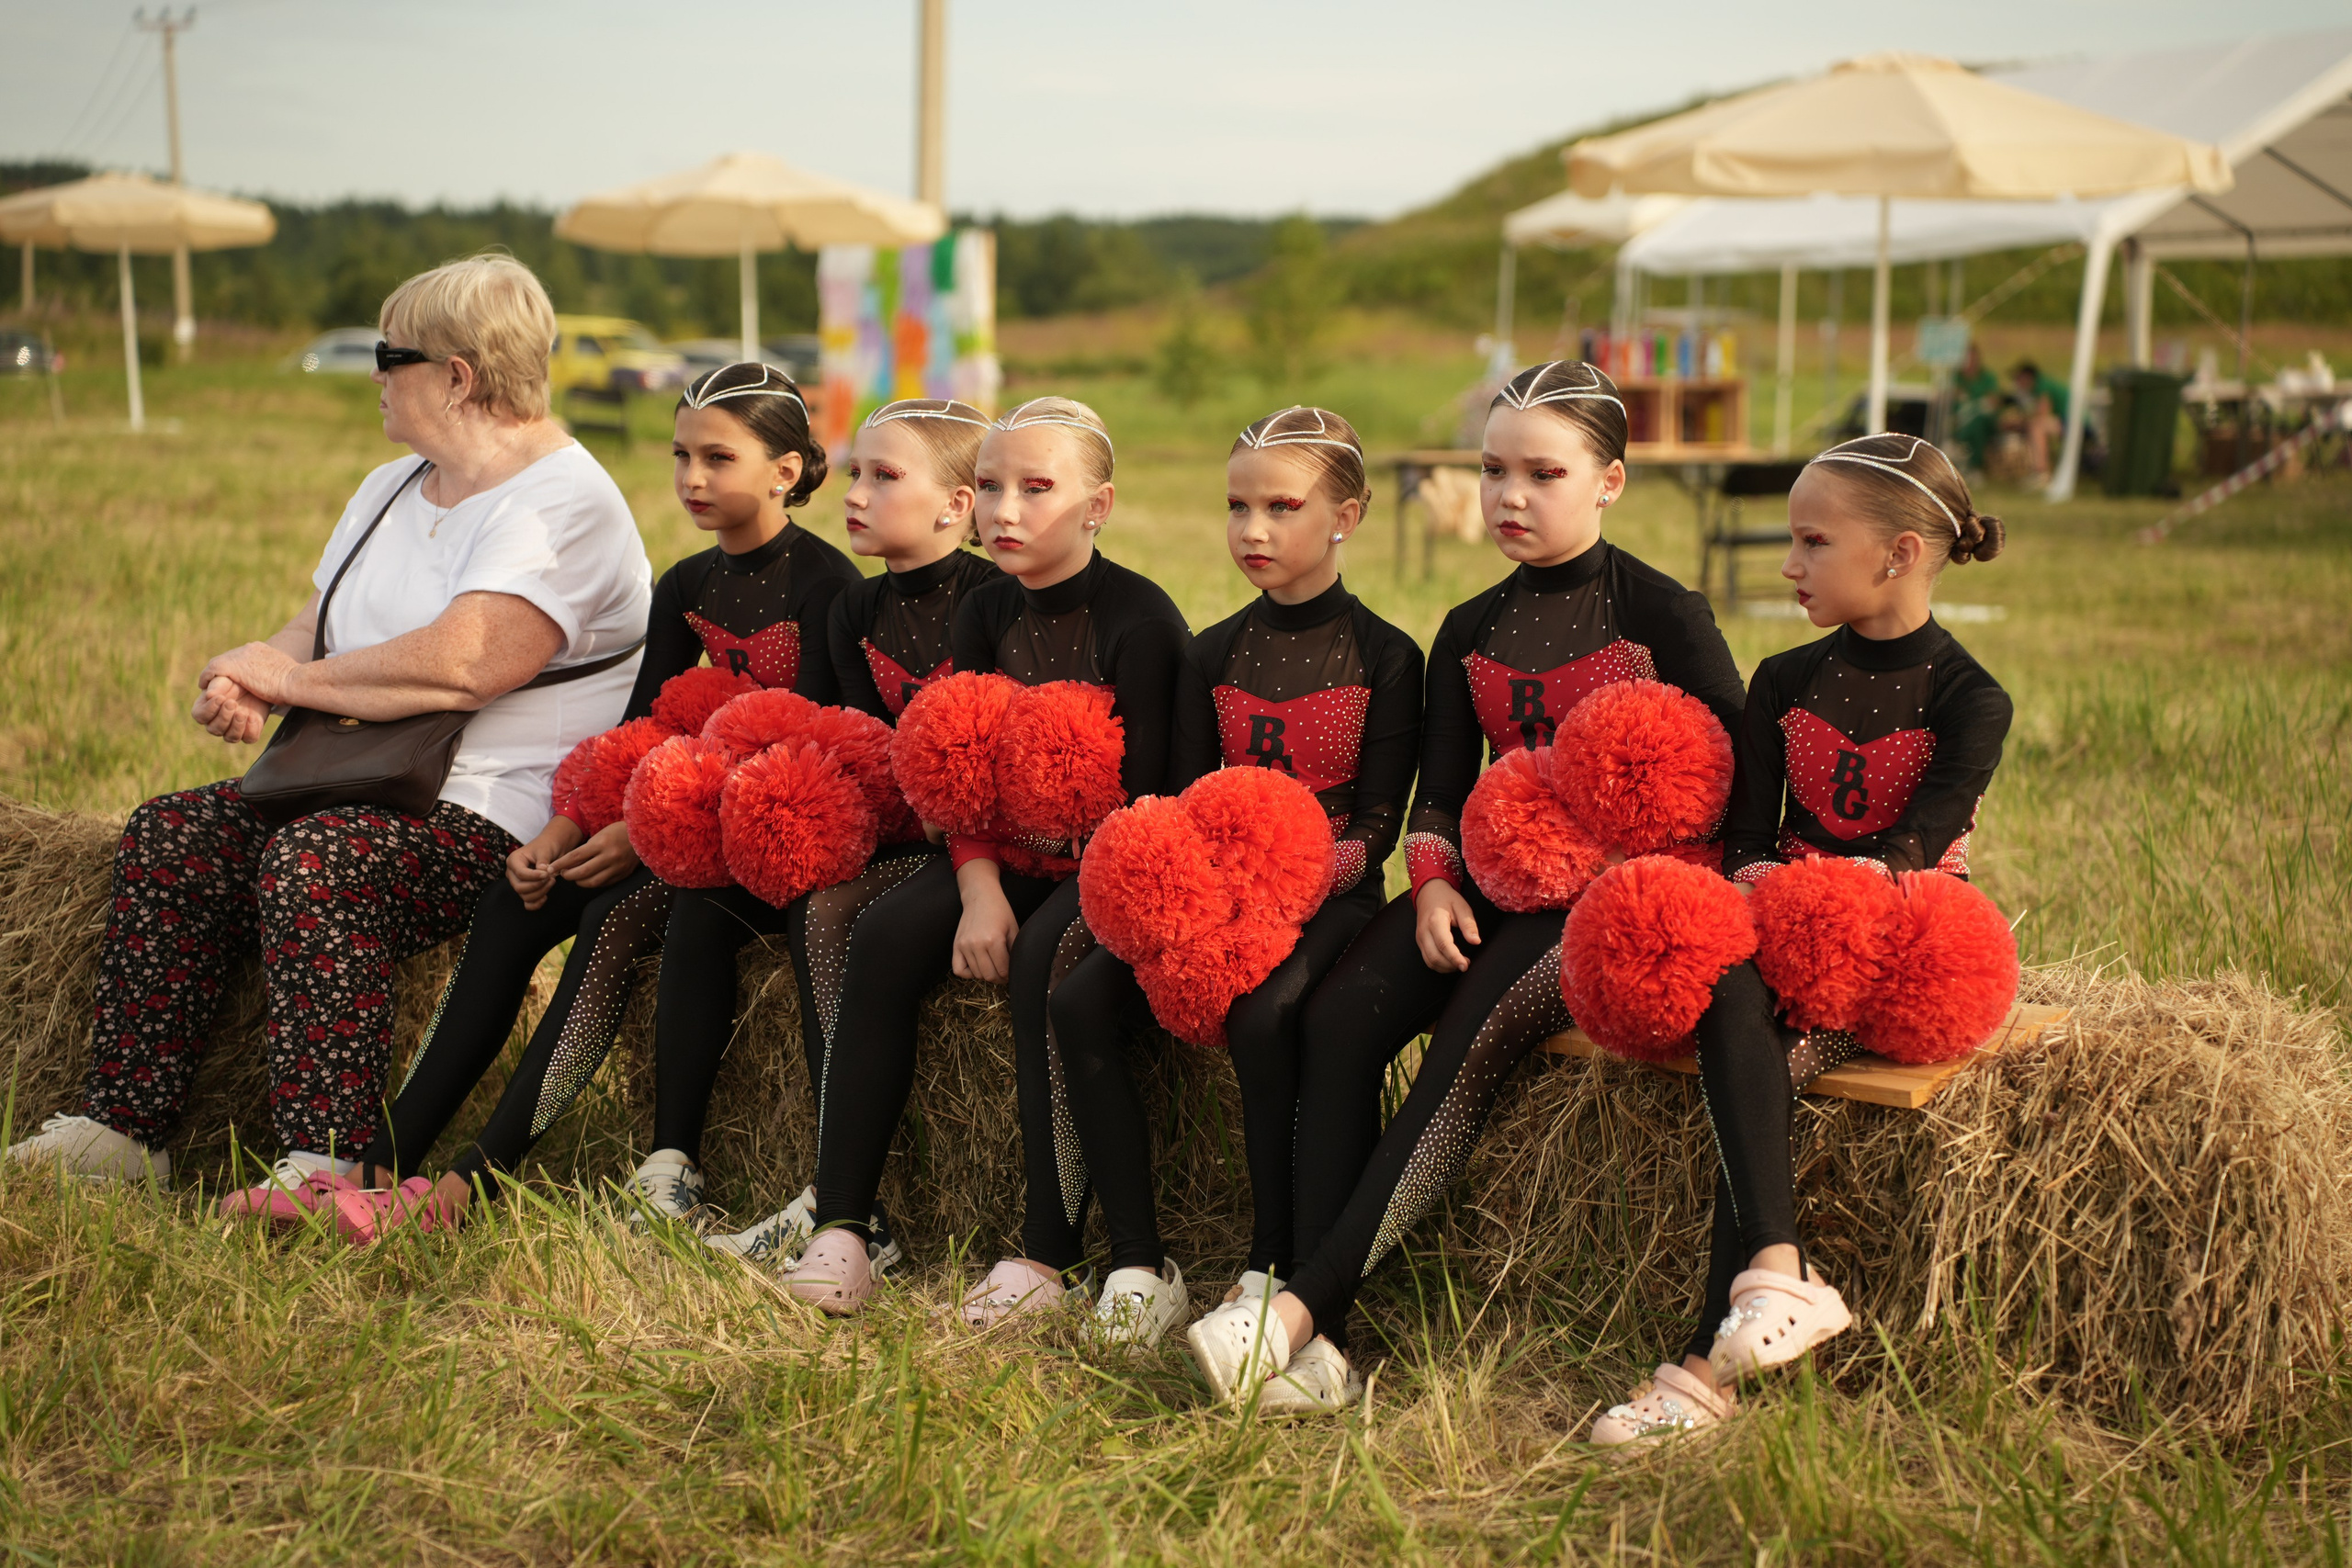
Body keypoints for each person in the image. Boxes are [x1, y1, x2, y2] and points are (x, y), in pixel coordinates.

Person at [4, 254, 651, 1209]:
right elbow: (314, 626)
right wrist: (251, 677)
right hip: (358, 777)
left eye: (391, 353)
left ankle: (327, 1161)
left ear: (458, 376)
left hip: (496, 813)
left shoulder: (566, 500)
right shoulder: (392, 484)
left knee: (320, 861)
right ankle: (124, 1129)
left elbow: (467, 660)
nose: (376, 373)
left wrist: (293, 678)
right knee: (172, 835)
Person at [1186, 360, 1746, 1412]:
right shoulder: (1467, 625)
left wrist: (1626, 868)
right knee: (1340, 1019)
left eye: (1543, 473)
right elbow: (1437, 796)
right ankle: (1328, 1346)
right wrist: (1436, 886)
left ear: (1609, 481)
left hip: (1607, 902)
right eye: (1492, 472)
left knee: (1463, 1049)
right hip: (1491, 885)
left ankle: (1304, 1311)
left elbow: (1721, 778)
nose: (1510, 498)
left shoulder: (1663, 616)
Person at [321, 362, 856, 1241]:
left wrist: (640, 840)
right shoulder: (685, 585)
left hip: (758, 840)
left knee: (608, 920)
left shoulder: (827, 587)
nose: (690, 479)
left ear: (785, 472)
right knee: (511, 897)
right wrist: (568, 824)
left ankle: (473, 1181)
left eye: (718, 459)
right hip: (666, 816)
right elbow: (637, 729)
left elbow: (813, 754)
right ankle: (382, 1159)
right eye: (680, 455)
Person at [1589, 433, 2012, 1448]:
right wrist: (1765, 888)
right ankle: (1779, 1274)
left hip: (1896, 944)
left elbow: (1921, 838)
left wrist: (1842, 893)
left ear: (1901, 553)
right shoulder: (1781, 679)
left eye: (1811, 541)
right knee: (1726, 991)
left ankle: (1699, 1370)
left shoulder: (1970, 697)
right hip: (1778, 925)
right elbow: (1746, 835)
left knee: (1767, 1068)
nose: (1788, 565)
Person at [1045, 407, 1422, 1360]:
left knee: (1263, 1016)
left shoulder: (1386, 657)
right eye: (1236, 507)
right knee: (1083, 1001)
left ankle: (1266, 1265)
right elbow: (1171, 801)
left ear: (1347, 515)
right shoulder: (1209, 653)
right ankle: (1137, 1260)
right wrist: (1193, 908)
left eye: (1282, 507)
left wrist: (1284, 896)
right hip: (1207, 903)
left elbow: (1377, 827)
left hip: (1327, 900)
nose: (1252, 531)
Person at [647, 399, 1000, 1270]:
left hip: (978, 845)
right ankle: (671, 1165)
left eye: (886, 476)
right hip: (899, 835)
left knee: (832, 916)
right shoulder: (856, 608)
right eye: (855, 473)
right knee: (722, 906)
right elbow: (854, 749)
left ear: (957, 505)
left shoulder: (995, 603)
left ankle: (844, 1205)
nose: (855, 493)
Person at [877, 398, 1191, 1336]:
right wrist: (975, 889)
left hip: (1114, 860)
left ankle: (1085, 1252)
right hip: (1005, 854)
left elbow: (1156, 805)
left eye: (1037, 489)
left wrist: (1066, 886)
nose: (1004, 511)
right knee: (880, 933)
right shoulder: (982, 612)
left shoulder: (1143, 623)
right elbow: (959, 775)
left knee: (1048, 969)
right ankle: (846, 1216)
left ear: (1097, 506)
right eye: (993, 489)